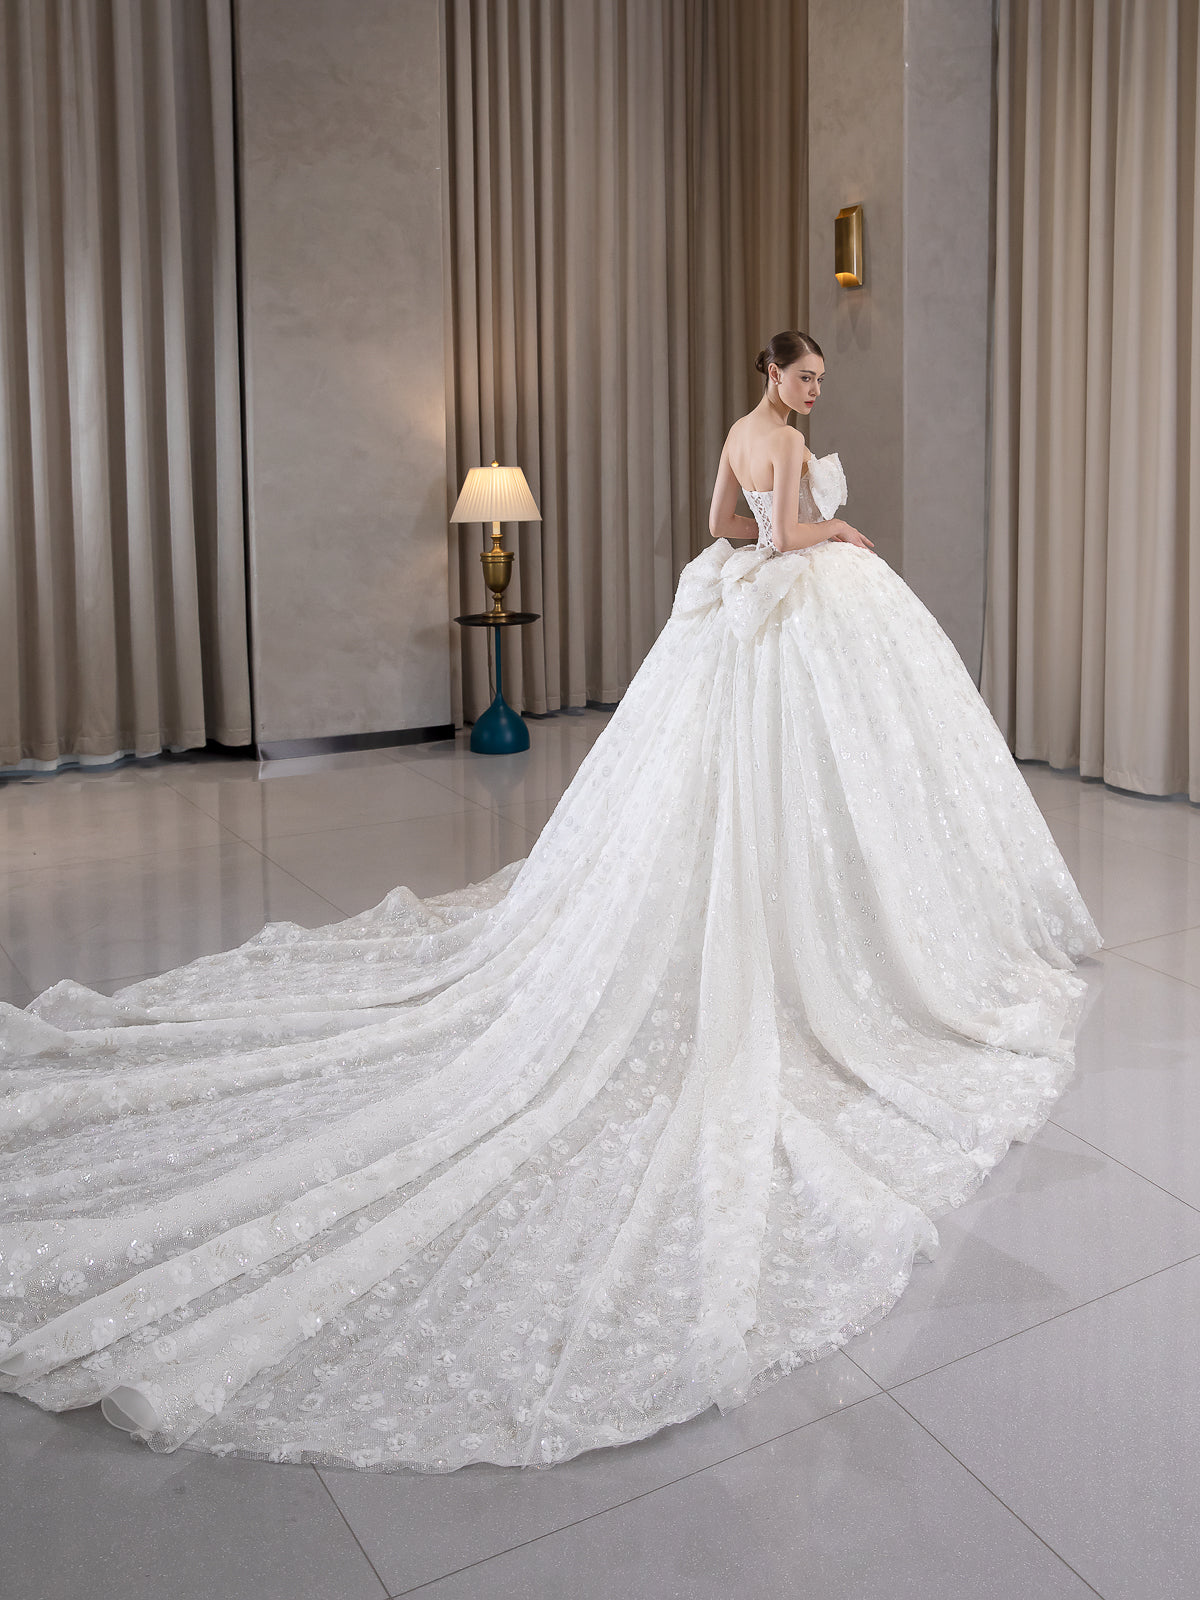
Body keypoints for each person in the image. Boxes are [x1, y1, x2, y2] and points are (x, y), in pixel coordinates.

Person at [0, 330, 1099, 1474]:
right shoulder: (778, 443)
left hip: (742, 614)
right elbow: (775, 536)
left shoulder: (743, 433)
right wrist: (840, 532)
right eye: (805, 377)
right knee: (788, 787)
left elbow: (720, 523)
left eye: (823, 379)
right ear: (772, 375)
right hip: (783, 612)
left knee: (760, 791)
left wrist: (787, 527)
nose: (817, 390)